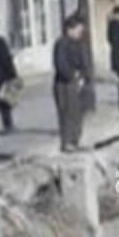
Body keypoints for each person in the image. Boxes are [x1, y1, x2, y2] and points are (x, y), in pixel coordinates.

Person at [52, 14, 90, 152]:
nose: (80, 33)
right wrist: (72, 75)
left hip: (78, 82)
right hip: (65, 83)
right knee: (67, 112)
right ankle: (67, 142)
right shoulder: (62, 43)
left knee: (78, 112)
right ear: (70, 29)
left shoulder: (80, 43)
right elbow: (61, 65)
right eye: (78, 30)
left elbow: (84, 62)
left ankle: (75, 140)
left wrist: (84, 76)